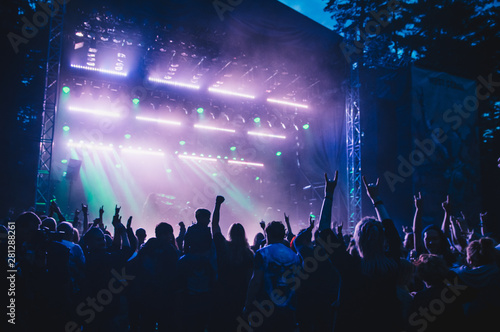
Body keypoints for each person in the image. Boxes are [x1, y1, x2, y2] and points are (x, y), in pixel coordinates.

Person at [243, 220, 301, 332]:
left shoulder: (262, 254)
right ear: (283, 235)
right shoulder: (294, 256)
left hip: (265, 310)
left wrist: (248, 305)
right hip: (288, 309)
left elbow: (256, 282)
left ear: (267, 234)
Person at [210, 195, 254, 332]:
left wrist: (217, 205)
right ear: (243, 234)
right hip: (240, 297)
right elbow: (249, 280)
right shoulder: (249, 254)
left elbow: (215, 225)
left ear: (230, 234)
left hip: (222, 295)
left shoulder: (223, 248)